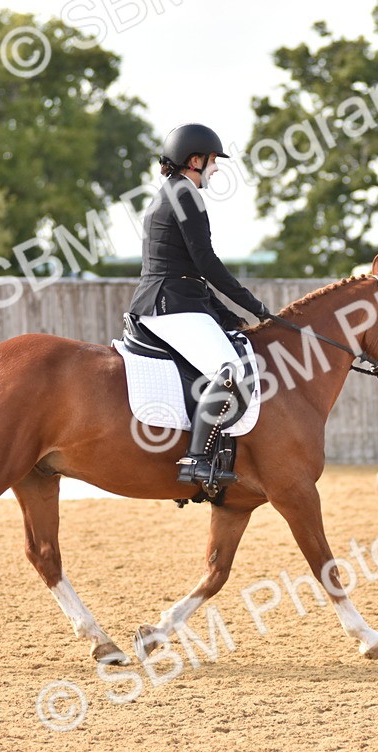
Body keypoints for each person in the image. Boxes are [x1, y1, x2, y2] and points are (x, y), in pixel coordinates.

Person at [128, 123, 273, 490]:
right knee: (230, 369)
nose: (216, 168)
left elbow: (191, 271)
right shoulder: (186, 195)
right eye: (212, 161)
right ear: (194, 160)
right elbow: (206, 262)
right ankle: (196, 459)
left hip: (174, 300)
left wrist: (228, 315)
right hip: (170, 304)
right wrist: (253, 304)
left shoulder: (171, 192)